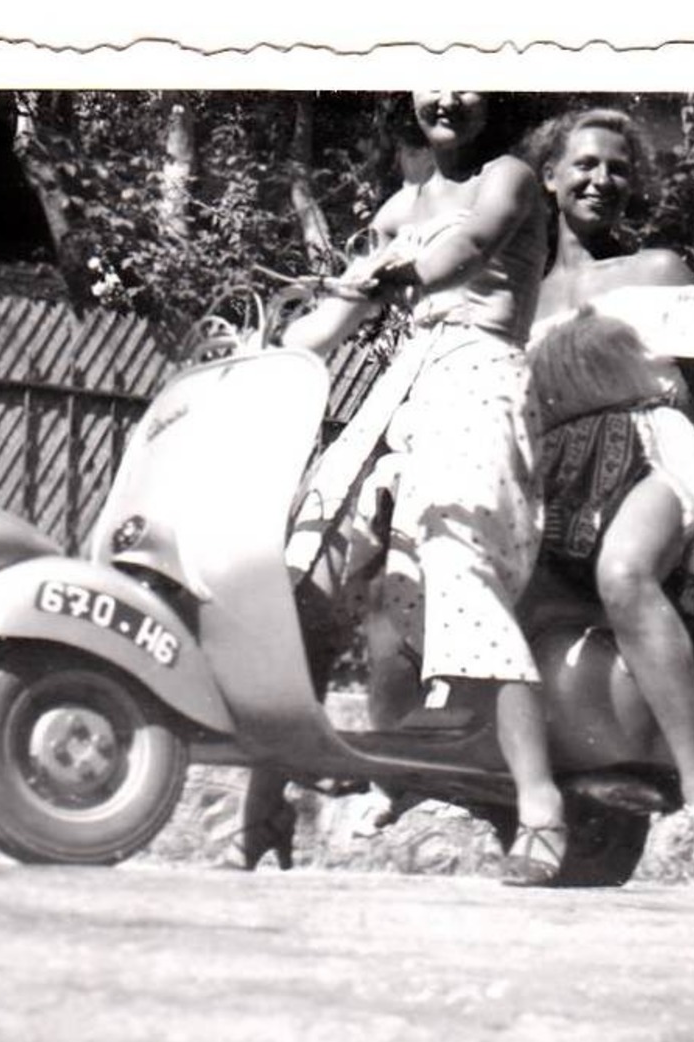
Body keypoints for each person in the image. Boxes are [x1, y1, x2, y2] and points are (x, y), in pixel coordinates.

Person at [236, 90, 566, 886]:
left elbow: (466, 251)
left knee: (459, 567)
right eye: (431, 76)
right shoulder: (397, 209)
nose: (447, 96)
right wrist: (275, 346)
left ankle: (541, 808)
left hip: (481, 379)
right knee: (309, 559)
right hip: (405, 386)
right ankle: (265, 806)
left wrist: (386, 278)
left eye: (467, 79)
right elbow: (336, 318)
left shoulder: (510, 178)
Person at [519, 106, 694, 890]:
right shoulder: (519, 297)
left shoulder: (657, 270)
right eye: (583, 164)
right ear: (548, 178)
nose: (601, 179)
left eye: (617, 167)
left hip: (652, 454)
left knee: (624, 571)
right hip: (558, 476)